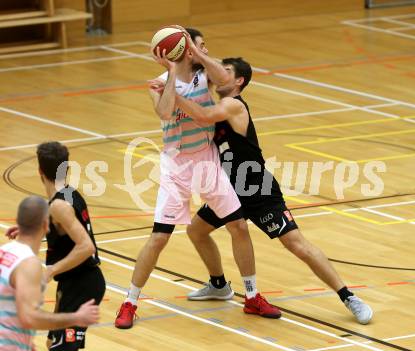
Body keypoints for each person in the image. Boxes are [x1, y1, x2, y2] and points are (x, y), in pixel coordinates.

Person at [170, 57, 373, 325]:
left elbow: (203, 115)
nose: (218, 75)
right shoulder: (216, 102)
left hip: (256, 188)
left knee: (296, 244)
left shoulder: (234, 105)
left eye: (226, 72)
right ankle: (219, 285)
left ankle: (348, 296)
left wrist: (171, 90)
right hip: (229, 188)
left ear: (239, 81)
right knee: (196, 231)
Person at [114, 28, 280, 329]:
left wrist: (197, 51)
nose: (200, 49)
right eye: (194, 44)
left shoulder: (206, 74)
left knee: (239, 226)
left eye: (201, 45)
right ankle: (129, 302)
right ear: (175, 50)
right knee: (159, 238)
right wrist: (173, 70)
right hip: (176, 165)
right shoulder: (160, 83)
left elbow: (227, 80)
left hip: (207, 160)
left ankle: (252, 295)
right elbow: (165, 113)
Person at [1, 196, 99, 351]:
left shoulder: (4, 251)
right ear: (46, 225)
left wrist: (24, 341)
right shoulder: (28, 263)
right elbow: (30, 318)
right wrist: (76, 317)